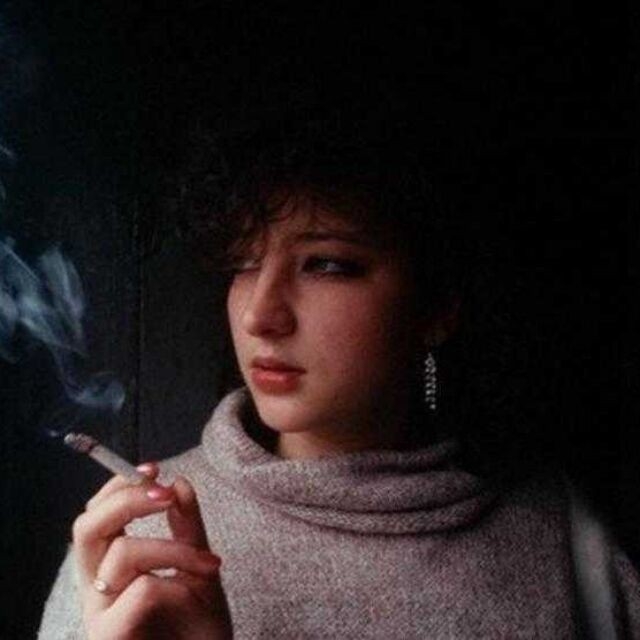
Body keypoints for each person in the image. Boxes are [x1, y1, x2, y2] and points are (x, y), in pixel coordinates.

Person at [39, 119, 640, 639]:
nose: (259, 316)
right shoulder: (140, 545)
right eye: (244, 263)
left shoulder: (559, 533)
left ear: (437, 307)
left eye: (326, 265)